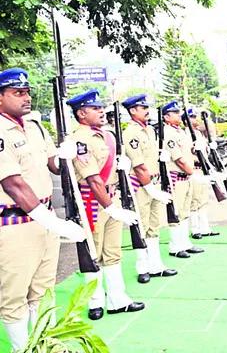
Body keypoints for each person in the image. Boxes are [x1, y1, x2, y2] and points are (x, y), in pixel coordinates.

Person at [0, 68, 85, 351]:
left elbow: (55, 167)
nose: (26, 98)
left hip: (44, 220)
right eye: (17, 93)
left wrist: (67, 155)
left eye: (27, 92)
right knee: (14, 295)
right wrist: (55, 222)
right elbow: (13, 184)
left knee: (43, 291)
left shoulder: (34, 127)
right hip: (15, 224)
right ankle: (21, 348)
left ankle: (43, 344)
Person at [66, 89, 145, 320]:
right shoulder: (79, 139)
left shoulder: (108, 135)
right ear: (81, 113)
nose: (101, 111)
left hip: (112, 197)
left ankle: (117, 298)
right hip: (92, 202)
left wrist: (124, 165)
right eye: (95, 108)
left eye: (101, 107)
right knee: (93, 253)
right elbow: (92, 178)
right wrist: (112, 208)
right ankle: (95, 301)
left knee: (112, 252)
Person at [122, 95, 177, 283]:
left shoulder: (150, 131)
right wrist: (150, 188)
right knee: (142, 225)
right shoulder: (131, 133)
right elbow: (139, 166)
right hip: (141, 185)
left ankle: (155, 264)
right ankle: (142, 266)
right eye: (142, 107)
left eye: (147, 107)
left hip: (154, 181)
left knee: (154, 225)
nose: (147, 110)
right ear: (132, 111)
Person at [161, 101, 205, 258]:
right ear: (166, 117)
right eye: (175, 113)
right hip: (176, 178)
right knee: (176, 213)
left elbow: (187, 152)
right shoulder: (167, 132)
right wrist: (193, 174)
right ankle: (175, 246)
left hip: (185, 176)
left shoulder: (180, 131)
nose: (179, 115)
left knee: (185, 212)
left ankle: (185, 243)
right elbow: (178, 159)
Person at [186, 109, 219, 239]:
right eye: (192, 117)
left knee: (203, 200)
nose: (196, 119)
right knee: (194, 200)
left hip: (203, 168)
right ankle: (195, 229)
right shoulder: (186, 135)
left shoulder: (199, 133)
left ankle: (205, 227)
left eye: (195, 116)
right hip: (193, 169)